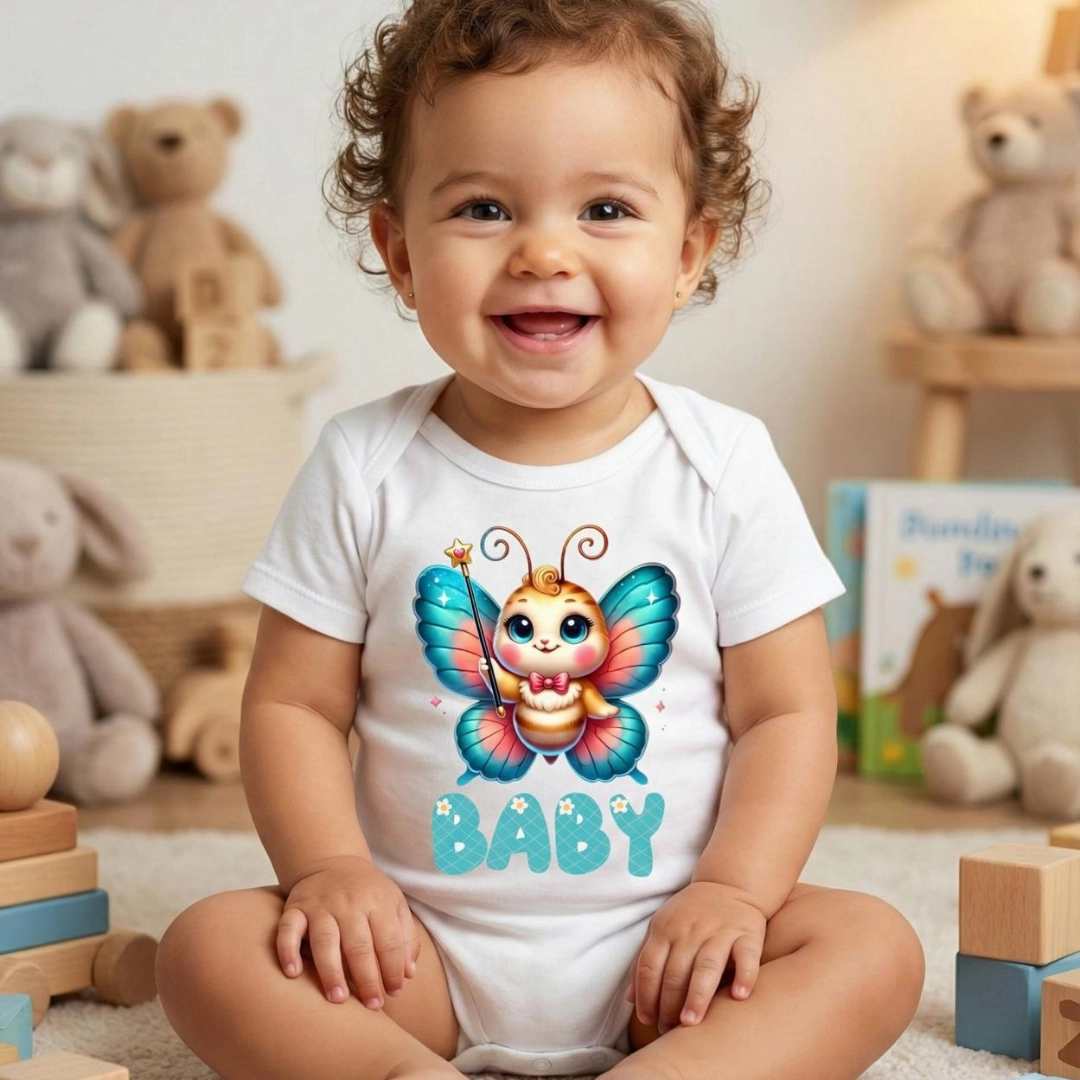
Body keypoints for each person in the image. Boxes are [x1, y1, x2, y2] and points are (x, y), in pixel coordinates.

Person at [154, 2, 925, 1078]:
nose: (545, 252)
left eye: (606, 208)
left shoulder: (723, 464)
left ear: (689, 252)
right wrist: (330, 871)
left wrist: (734, 893)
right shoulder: (364, 464)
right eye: (483, 208)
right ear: (400, 252)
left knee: (874, 947)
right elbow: (294, 705)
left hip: (670, 963)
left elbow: (786, 713)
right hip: (414, 954)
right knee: (206, 949)